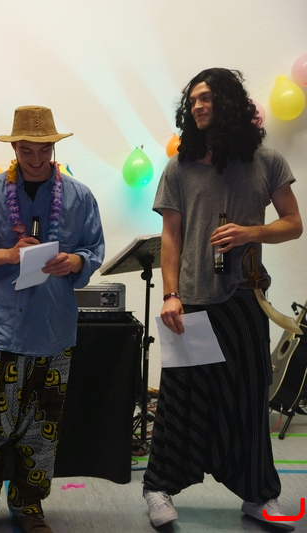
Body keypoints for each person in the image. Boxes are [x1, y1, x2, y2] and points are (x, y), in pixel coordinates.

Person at [144, 68, 302, 530]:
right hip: (190, 303)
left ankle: (257, 495)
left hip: (244, 300)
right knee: (180, 402)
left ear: (229, 103)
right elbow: (170, 236)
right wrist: (170, 294)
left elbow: (293, 223)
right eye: (193, 99)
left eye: (207, 97)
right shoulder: (179, 166)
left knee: (248, 400)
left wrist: (251, 232)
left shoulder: (266, 161)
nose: (198, 106)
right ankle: (158, 488)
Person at [0, 106, 104, 533]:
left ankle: (29, 507)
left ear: (54, 147)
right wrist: (8, 255)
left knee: (42, 429)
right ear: (14, 147)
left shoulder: (79, 196)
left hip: (52, 330)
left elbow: (93, 250)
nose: (35, 159)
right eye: (26, 150)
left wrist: (74, 261)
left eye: (43, 150)